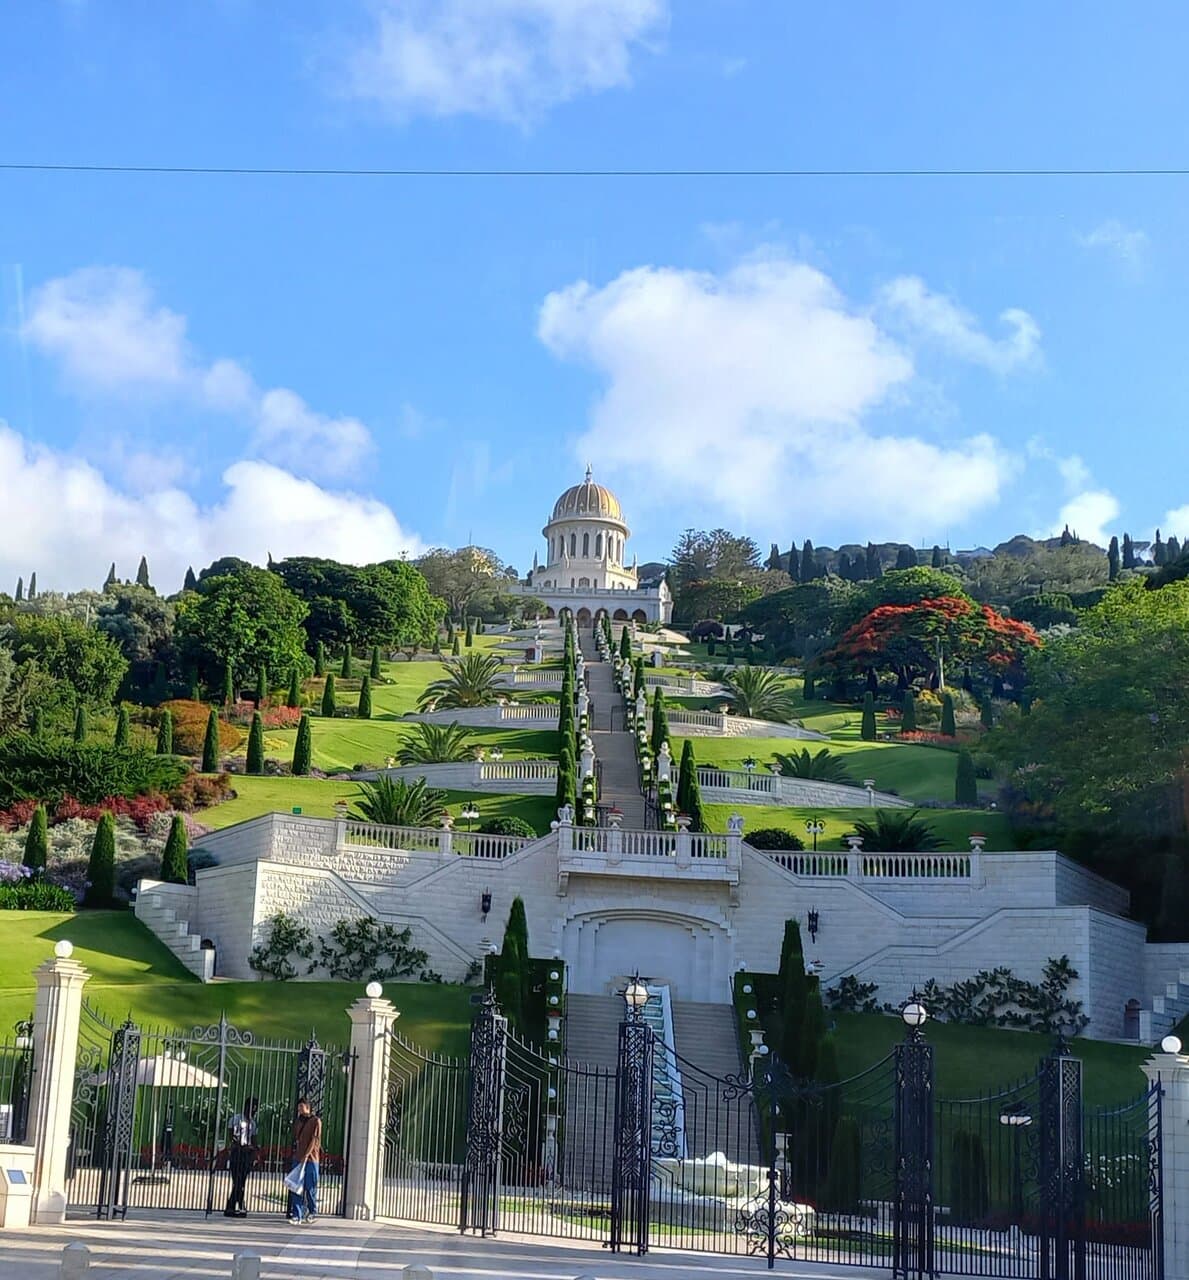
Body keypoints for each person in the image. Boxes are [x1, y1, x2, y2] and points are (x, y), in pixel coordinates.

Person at [286, 1097, 322, 1225]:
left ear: (307, 1107)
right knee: (296, 1186)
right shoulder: (298, 1122)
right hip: (298, 1158)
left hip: (311, 1159)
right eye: (298, 1107)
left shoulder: (316, 1121)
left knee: (310, 1186)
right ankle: (297, 1214)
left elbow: (314, 1139)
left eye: (301, 1107)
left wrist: (307, 1154)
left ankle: (312, 1211)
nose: (299, 1110)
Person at [224, 1096, 259, 1217]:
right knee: (237, 1180)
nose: (254, 1111)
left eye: (255, 1108)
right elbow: (232, 1135)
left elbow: (253, 1139)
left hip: (247, 1154)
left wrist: (255, 1153)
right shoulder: (237, 1119)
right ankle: (238, 1205)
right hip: (237, 1152)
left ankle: (233, 1206)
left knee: (242, 1181)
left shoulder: (253, 1123)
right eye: (252, 1107)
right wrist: (238, 1144)